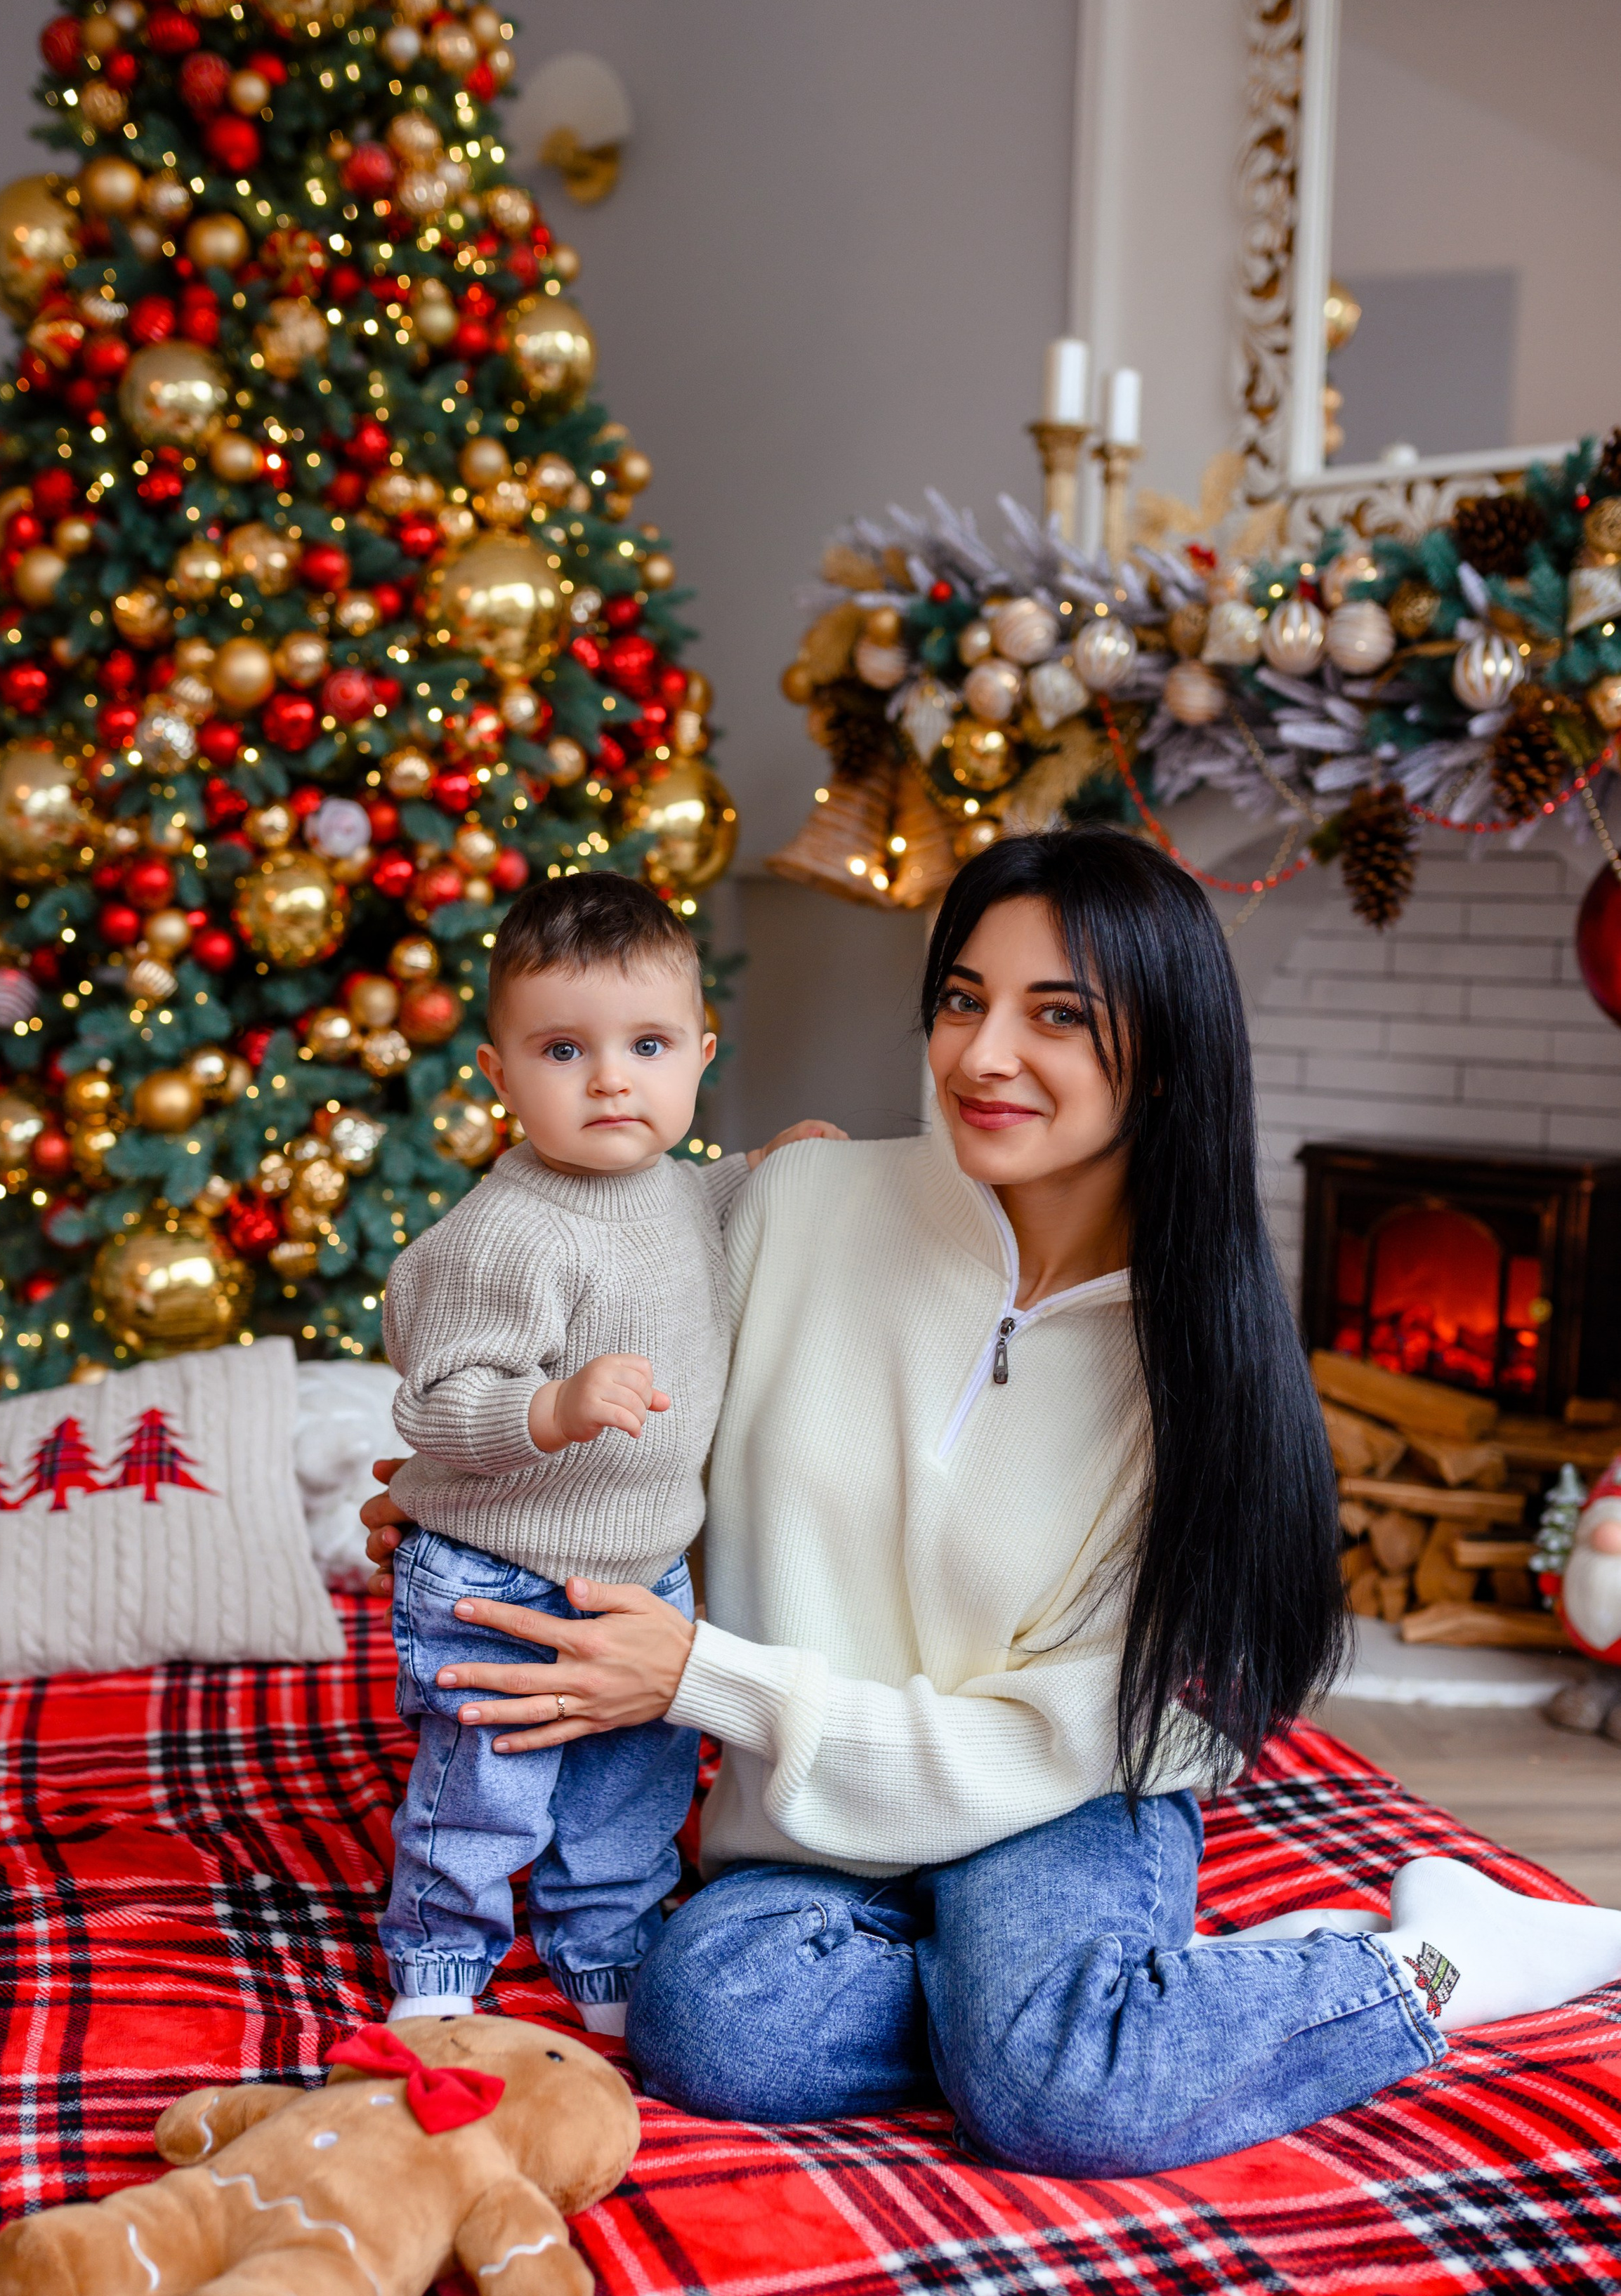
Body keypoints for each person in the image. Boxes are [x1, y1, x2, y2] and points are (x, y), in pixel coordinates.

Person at [362, 832, 1621, 2174]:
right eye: (963, 999)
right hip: (815, 1807)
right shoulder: (793, 1205)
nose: (982, 1056)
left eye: (1057, 1015)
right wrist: (467, 1503)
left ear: (1170, 1044)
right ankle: (1075, 2003)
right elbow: (602, 1388)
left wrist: (707, 1681)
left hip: (1052, 1796)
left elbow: (1081, 1733)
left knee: (1062, 2098)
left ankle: (1430, 1960)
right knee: (714, 2024)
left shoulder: (1203, 1370)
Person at [377, 870, 838, 2035]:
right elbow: (436, 1409)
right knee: (486, 1789)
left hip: (643, 1570)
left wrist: (780, 1164)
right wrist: (551, 1409)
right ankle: (440, 1965)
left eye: (647, 1043)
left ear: (698, 1054)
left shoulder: (680, 1192)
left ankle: (607, 1958)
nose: (612, 1079)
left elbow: (717, 1205)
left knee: (631, 1789)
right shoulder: (507, 1234)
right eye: (564, 1051)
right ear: (499, 1074)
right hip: (499, 1567)